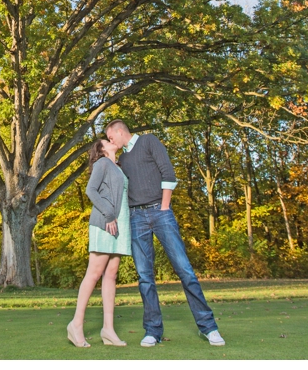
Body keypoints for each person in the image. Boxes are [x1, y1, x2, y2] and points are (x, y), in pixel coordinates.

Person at [105, 118, 225, 348]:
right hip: (136, 217)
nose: (110, 141)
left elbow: (168, 173)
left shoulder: (149, 141)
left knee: (185, 271)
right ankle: (153, 330)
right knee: (145, 277)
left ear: (120, 131)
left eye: (111, 137)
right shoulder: (122, 159)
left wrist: (164, 207)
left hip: (161, 213)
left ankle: (209, 328)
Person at [67, 138, 131, 348]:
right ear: (101, 149)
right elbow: (90, 190)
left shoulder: (117, 166)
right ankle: (76, 324)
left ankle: (108, 329)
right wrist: (109, 215)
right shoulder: (102, 163)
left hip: (119, 225)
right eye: (106, 140)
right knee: (94, 274)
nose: (111, 140)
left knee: (111, 275)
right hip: (105, 223)